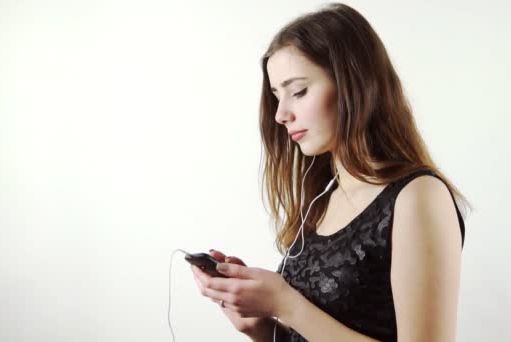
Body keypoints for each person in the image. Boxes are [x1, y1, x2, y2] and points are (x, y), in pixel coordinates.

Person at [191, 3, 471, 341]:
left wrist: (286, 303)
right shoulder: (322, 200)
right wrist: (260, 325)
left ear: (354, 83)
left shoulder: (418, 197)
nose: (280, 114)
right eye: (276, 96)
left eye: (298, 91)